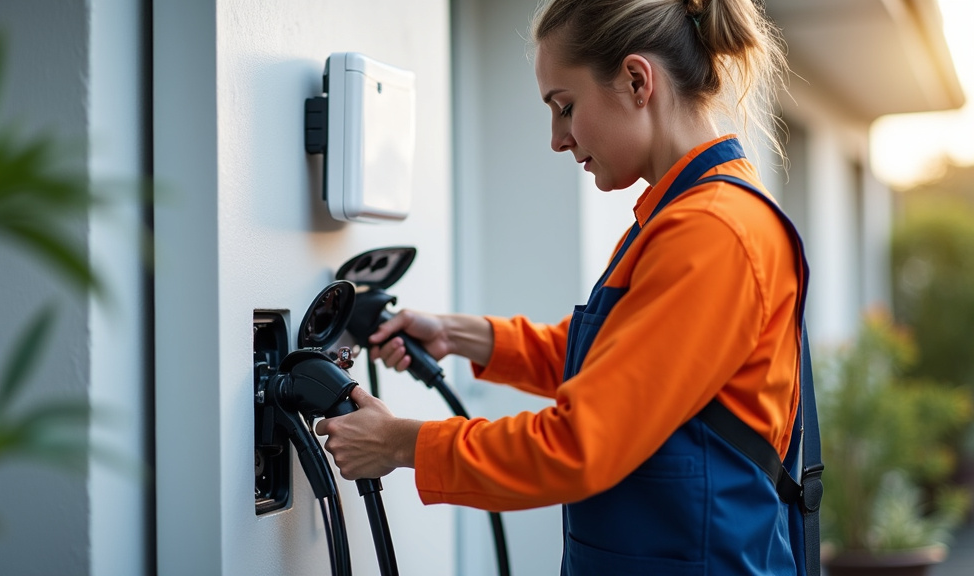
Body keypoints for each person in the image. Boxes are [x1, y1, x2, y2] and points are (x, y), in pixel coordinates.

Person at [315, 0, 813, 573]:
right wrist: (459, 335)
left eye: (564, 107)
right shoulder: (684, 215)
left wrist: (401, 444)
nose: (557, 138)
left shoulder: (710, 232)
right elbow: (617, 369)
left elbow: (581, 444)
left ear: (635, 80)